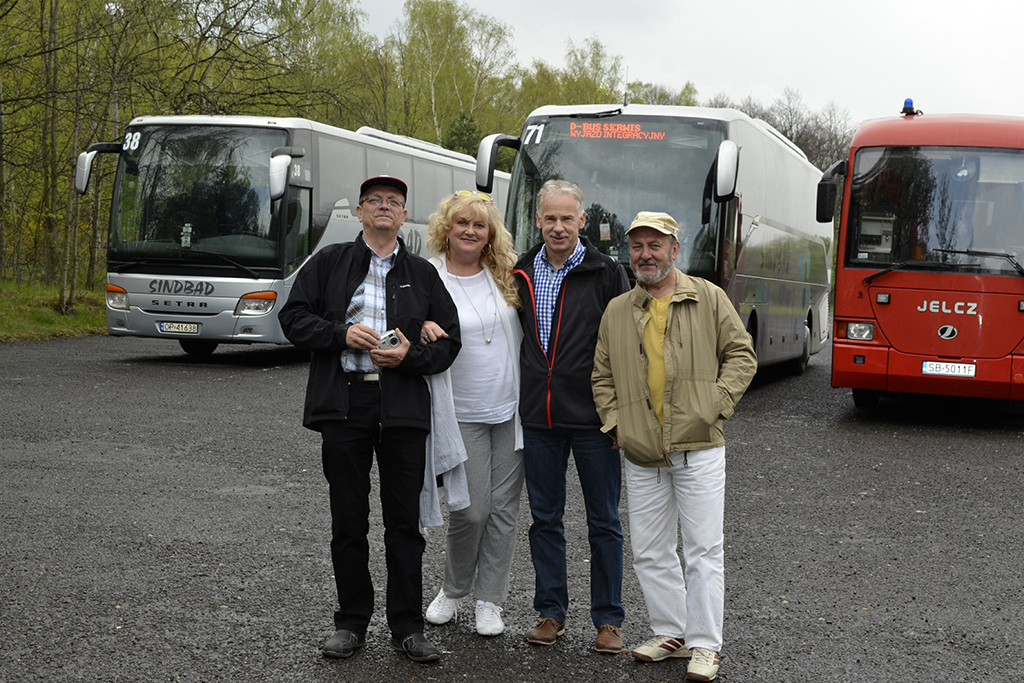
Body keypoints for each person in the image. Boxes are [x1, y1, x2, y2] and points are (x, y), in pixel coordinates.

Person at [278, 175, 461, 664]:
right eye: (374, 200)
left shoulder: (423, 274)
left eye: (393, 202)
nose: (384, 207)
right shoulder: (330, 261)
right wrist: (340, 334)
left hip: (403, 409)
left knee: (404, 525)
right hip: (346, 404)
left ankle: (408, 627)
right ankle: (351, 622)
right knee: (348, 520)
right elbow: (292, 318)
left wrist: (409, 357)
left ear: (404, 215)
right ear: (359, 213)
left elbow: (450, 343)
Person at [591, 211, 757, 681]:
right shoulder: (618, 309)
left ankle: (705, 644)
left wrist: (714, 405)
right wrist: (618, 425)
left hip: (698, 446)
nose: (645, 255)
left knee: (703, 550)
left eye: (655, 245)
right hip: (641, 451)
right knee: (650, 550)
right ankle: (672, 632)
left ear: (674, 249)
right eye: (637, 246)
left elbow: (741, 356)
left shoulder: (708, 297)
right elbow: (602, 376)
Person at [514, 179, 630, 653]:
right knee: (545, 519)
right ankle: (550, 612)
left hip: (593, 419)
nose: (558, 227)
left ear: (583, 221)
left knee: (604, 521)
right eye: (550, 218)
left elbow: (626, 346)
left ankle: (608, 620)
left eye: (567, 218)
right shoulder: (520, 271)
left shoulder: (606, 273)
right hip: (539, 418)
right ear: (538, 220)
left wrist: (621, 414)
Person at [419, 190, 525, 637]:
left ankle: (489, 600)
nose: (470, 231)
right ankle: (453, 588)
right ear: (446, 229)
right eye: (461, 222)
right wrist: (420, 325)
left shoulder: (505, 274)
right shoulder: (429, 275)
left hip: (511, 409)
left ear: (490, 234)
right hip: (461, 410)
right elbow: (405, 321)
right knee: (471, 509)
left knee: (503, 510)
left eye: (479, 225)